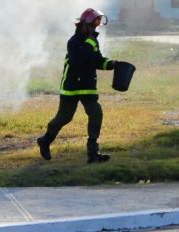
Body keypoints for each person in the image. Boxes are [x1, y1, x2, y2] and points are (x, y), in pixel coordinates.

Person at [37, 8, 118, 163]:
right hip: (71, 86)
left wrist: (111, 64)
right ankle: (45, 140)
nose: (97, 26)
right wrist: (90, 42)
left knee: (96, 113)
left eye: (99, 22)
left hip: (87, 86)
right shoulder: (74, 41)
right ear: (86, 24)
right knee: (64, 117)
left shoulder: (92, 40)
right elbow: (78, 60)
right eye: (95, 22)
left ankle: (93, 153)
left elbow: (96, 60)